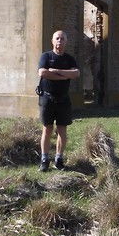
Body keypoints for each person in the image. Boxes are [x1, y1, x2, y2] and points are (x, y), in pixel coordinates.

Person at [38, 30, 80, 171]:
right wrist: (65, 76)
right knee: (47, 129)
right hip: (47, 98)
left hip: (63, 99)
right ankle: (44, 160)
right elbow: (42, 73)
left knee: (62, 130)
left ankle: (59, 159)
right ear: (52, 41)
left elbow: (76, 73)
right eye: (57, 38)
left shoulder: (69, 59)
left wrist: (55, 71)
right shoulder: (46, 56)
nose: (59, 41)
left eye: (62, 39)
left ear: (66, 42)